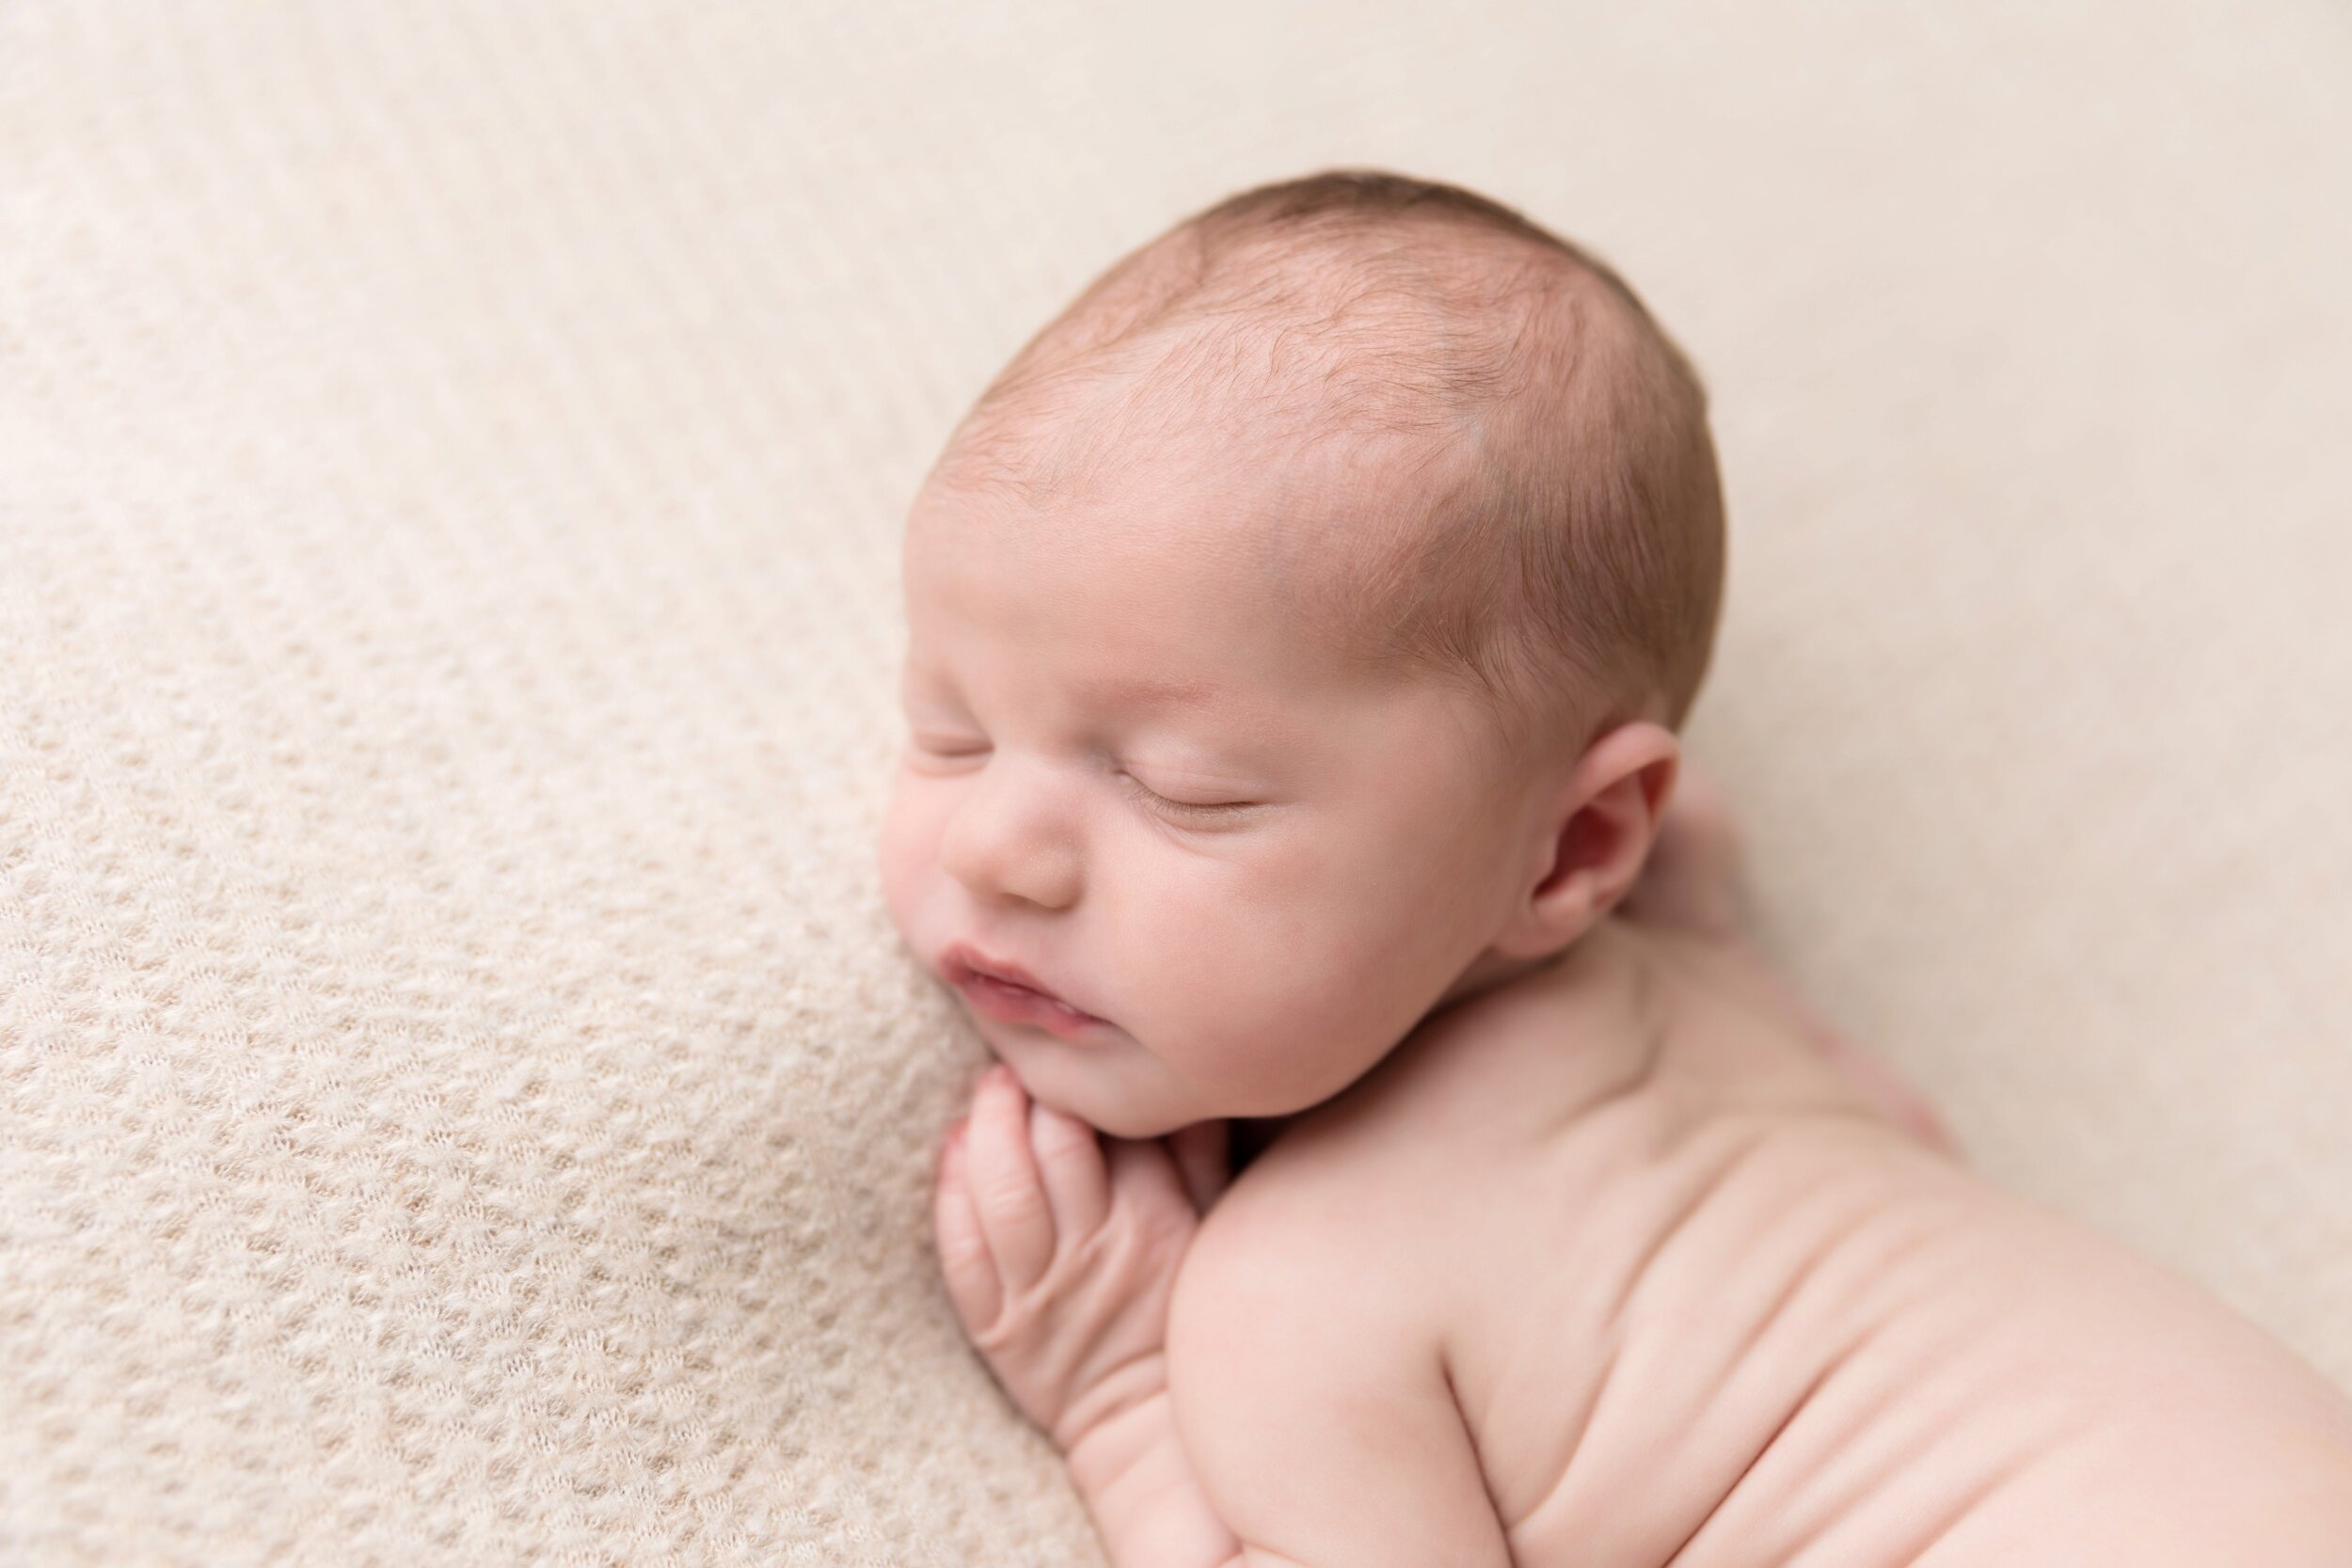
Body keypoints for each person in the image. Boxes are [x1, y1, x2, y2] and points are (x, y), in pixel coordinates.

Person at [877, 169, 2352, 1566]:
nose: (998, 848)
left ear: (1578, 844)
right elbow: (1901, 1135)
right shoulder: (1714, 1018)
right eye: (948, 732)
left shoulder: (1305, 1293)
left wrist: (1126, 1397)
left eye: (1177, 786)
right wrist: (1700, 915)